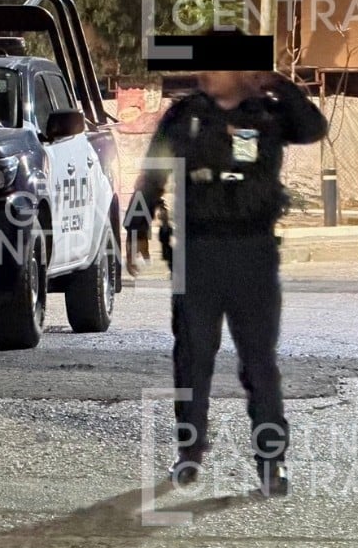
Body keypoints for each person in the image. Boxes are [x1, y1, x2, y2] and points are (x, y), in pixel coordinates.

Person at [123, 49, 328, 497]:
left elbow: (314, 129)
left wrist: (281, 84)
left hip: (253, 254)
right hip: (197, 254)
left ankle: (271, 462)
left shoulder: (269, 114)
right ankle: (189, 452)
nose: (206, 73)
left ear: (241, 71)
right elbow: (153, 172)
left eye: (216, 66)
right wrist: (137, 225)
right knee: (192, 360)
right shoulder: (185, 115)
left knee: (259, 364)